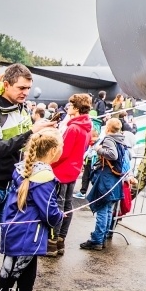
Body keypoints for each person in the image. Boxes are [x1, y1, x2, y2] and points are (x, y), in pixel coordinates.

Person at [0, 63, 51, 288]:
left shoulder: (20, 108)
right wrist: (31, 132)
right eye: (21, 87)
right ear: (6, 85)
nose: (25, 92)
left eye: (28, 88)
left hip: (6, 187)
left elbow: (18, 146)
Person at [0, 129, 63, 291]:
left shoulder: (23, 169)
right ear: (53, 151)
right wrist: (59, 216)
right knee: (10, 276)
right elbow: (48, 211)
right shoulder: (45, 177)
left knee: (24, 274)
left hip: (17, 230)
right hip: (29, 235)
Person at [47, 93, 92, 256]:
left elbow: (62, 152)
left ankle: (52, 242)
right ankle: (60, 241)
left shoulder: (73, 127)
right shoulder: (86, 127)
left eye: (71, 105)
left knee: (57, 206)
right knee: (67, 206)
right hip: (73, 170)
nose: (68, 107)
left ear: (77, 108)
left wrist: (49, 161)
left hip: (61, 170)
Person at [80, 118, 129, 251]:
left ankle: (97, 240)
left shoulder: (109, 139)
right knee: (107, 209)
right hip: (114, 178)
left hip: (107, 177)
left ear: (108, 128)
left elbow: (112, 155)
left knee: (102, 209)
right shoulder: (121, 139)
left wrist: (98, 149)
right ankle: (102, 235)